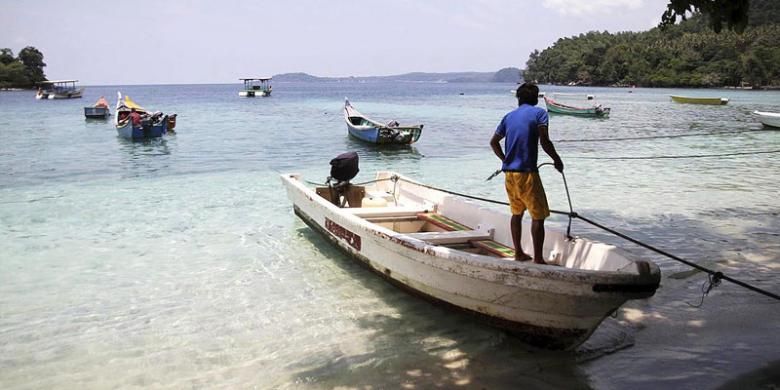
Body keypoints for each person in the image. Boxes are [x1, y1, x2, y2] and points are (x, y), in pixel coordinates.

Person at [489, 82, 563, 264]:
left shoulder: (508, 117)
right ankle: (538, 258)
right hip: (528, 174)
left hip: (510, 175)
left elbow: (493, 142)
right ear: (535, 99)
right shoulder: (540, 113)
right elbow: (545, 141)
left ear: (519, 99)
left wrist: (505, 159)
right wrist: (557, 159)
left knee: (517, 214)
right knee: (538, 216)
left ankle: (519, 253)